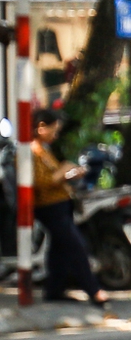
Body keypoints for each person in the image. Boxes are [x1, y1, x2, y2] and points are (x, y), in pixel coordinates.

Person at [29, 108, 106, 304]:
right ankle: (93, 290)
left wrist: (70, 172)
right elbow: (43, 181)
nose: (56, 135)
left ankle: (54, 290)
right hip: (49, 205)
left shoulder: (44, 150)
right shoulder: (32, 151)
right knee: (75, 246)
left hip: (61, 202)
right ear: (41, 127)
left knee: (60, 249)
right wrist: (65, 169)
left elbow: (56, 176)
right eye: (54, 130)